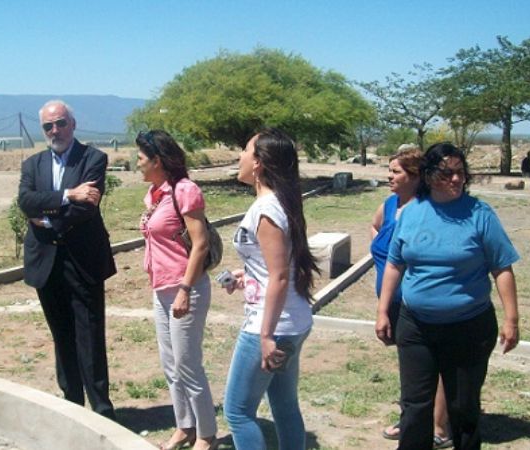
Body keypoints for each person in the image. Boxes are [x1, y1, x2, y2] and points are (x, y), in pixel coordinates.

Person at [375, 143, 520, 450]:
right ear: (428, 175)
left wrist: (512, 320)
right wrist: (383, 310)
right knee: (415, 405)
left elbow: (502, 268)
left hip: (468, 327)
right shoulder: (412, 213)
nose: (456, 179)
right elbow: (394, 263)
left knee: (463, 406)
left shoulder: (480, 214)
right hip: (416, 326)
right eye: (446, 173)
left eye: (460, 172)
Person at [17, 100, 117, 419]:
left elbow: (86, 207)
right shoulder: (32, 164)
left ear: (72, 124)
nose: (55, 130)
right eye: (48, 126)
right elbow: (25, 201)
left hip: (83, 261)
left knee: (90, 336)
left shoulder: (93, 158)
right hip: (46, 263)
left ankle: (102, 410)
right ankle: (72, 406)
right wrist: (67, 195)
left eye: (60, 123)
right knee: (61, 335)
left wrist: (47, 219)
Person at [222, 128, 319, 450]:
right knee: (284, 404)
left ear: (259, 163)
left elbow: (279, 276)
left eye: (245, 150)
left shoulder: (267, 209)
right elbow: (275, 268)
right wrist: (248, 275)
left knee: (237, 412)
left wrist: (266, 337)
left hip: (270, 326)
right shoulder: (279, 203)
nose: (240, 156)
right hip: (291, 320)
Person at [136, 130, 218, 450]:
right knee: (170, 364)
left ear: (157, 160)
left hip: (187, 288)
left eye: (141, 158)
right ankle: (184, 427)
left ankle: (207, 435)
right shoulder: (155, 194)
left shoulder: (185, 190)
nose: (137, 164)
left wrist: (185, 288)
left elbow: (200, 244)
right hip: (161, 288)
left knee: (188, 364)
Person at [371, 148, 452, 448]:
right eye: (389, 170)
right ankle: (412, 419)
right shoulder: (389, 204)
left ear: (416, 176)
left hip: (419, 304)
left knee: (436, 366)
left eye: (396, 171)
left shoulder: (428, 210)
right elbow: (375, 227)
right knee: (413, 367)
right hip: (391, 301)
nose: (389, 176)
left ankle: (440, 426)